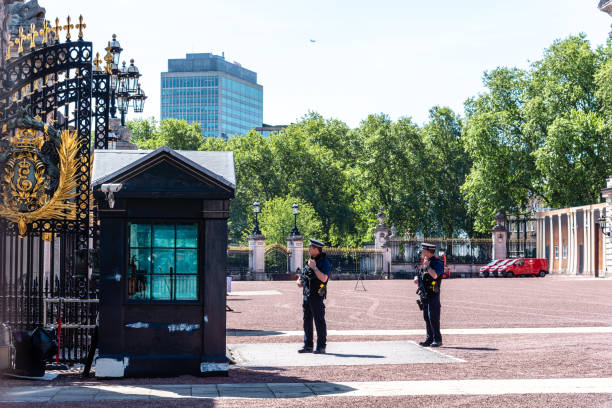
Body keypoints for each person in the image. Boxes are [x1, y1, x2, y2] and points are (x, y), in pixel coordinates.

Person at [296, 238, 331, 354]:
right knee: (307, 320)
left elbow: (324, 278)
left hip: (317, 294)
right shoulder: (310, 260)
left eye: (310, 248)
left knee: (319, 321)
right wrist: (299, 281)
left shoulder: (324, 262)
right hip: (306, 294)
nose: (308, 250)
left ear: (317, 249)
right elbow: (303, 276)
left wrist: (315, 267)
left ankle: (321, 346)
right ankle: (308, 345)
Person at [413, 242, 444, 347]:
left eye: (423, 250)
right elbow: (422, 275)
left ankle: (437, 339)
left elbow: (435, 275)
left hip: (433, 293)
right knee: (426, 317)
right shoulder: (426, 261)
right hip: (425, 293)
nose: (422, 252)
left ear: (428, 251)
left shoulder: (437, 262)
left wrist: (427, 267)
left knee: (433, 316)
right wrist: (417, 278)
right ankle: (429, 338)